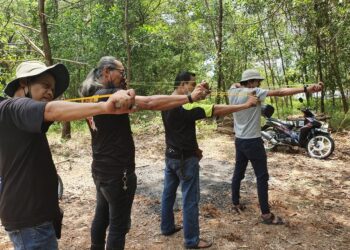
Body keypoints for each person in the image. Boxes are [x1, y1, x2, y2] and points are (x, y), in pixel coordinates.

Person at [0, 61, 136, 250]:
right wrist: (105, 107)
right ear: (24, 83)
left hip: (33, 220)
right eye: (45, 86)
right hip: (31, 224)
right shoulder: (13, 107)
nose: (50, 92)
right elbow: (51, 110)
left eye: (52, 89)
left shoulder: (18, 118)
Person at [80, 56, 208, 250]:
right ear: (107, 72)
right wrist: (189, 97)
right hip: (118, 173)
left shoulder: (91, 94)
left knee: (102, 215)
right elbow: (149, 102)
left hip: (101, 170)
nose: (124, 77)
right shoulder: (108, 95)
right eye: (121, 73)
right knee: (117, 226)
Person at [160, 71, 258, 249]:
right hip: (185, 160)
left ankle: (166, 228)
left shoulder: (166, 100)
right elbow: (215, 109)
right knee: (190, 200)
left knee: (168, 193)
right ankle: (192, 240)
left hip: (171, 156)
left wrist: (201, 93)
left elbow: (183, 124)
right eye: (191, 84)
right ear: (182, 85)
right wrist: (246, 104)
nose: (193, 88)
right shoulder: (185, 105)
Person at [228, 69, 323, 224]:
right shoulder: (254, 91)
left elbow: (235, 83)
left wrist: (243, 83)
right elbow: (280, 92)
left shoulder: (232, 91)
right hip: (253, 141)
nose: (259, 83)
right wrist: (306, 88)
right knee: (262, 177)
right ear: (251, 82)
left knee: (238, 172)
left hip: (239, 140)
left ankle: (235, 203)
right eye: (257, 81)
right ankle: (266, 215)